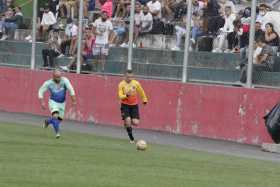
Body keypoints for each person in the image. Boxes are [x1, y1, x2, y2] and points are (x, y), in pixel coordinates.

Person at [38, 69, 76, 138]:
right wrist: (42, 102)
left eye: (59, 77)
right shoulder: (48, 83)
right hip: (53, 102)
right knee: (55, 116)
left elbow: (71, 89)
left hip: (62, 103)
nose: (58, 79)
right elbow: (40, 91)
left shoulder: (65, 80)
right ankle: (57, 133)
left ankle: (48, 121)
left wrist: (74, 100)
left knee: (59, 120)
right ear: (53, 76)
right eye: (57, 77)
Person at [118, 70, 148, 143]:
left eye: (131, 77)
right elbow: (120, 96)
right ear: (124, 76)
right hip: (125, 105)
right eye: (128, 77)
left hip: (134, 105)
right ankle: (131, 139)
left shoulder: (136, 83)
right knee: (128, 121)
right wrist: (127, 95)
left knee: (136, 123)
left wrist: (144, 99)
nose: (130, 78)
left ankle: (127, 121)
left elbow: (141, 91)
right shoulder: (121, 84)